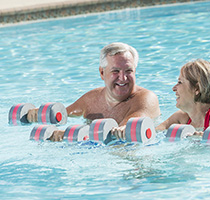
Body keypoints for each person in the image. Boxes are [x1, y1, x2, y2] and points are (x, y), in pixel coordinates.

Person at [28, 42, 160, 141]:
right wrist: (37, 114)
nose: (123, 78)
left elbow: (127, 128)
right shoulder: (91, 99)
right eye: (115, 71)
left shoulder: (146, 98)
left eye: (129, 71)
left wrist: (65, 134)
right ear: (102, 73)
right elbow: (61, 115)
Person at [156, 59, 210, 134]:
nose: (174, 88)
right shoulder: (182, 117)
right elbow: (154, 133)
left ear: (196, 88)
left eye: (180, 82)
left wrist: (208, 138)